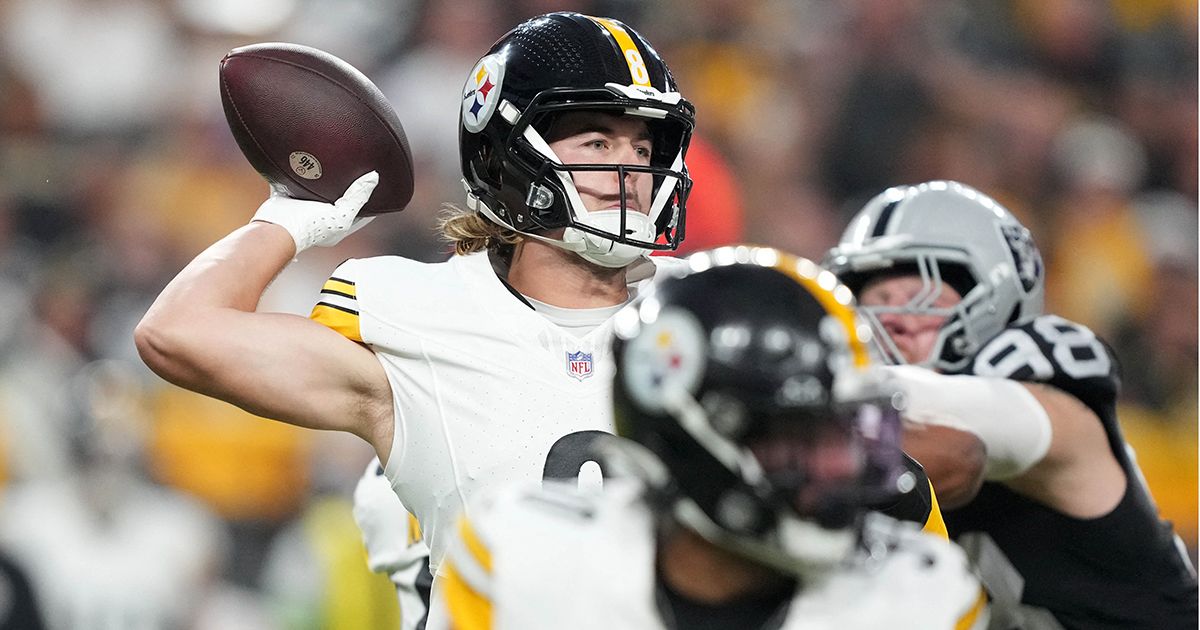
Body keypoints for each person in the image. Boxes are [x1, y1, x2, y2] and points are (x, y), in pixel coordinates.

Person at [135, 9, 695, 616]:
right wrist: (287, 220)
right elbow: (175, 333)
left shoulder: (696, 314)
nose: (632, 171)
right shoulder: (420, 319)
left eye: (644, 147)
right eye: (598, 142)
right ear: (507, 156)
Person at [431, 246, 988, 629]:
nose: (843, 466)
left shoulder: (916, 595)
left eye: (848, 435)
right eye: (801, 439)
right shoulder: (529, 562)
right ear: (689, 437)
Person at [822, 180, 1199, 629]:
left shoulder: (1056, 402)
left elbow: (962, 444)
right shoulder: (859, 428)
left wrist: (807, 384)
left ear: (995, 296)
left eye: (921, 297)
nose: (889, 321)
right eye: (876, 299)